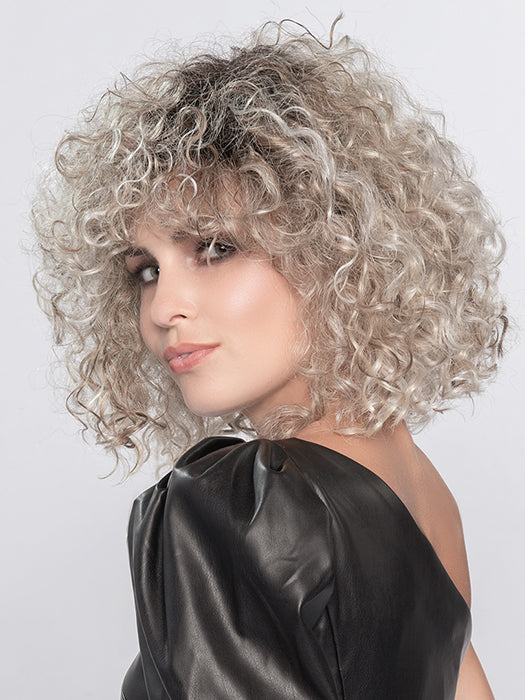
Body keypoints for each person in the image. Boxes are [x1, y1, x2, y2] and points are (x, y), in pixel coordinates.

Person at [33, 18, 507, 700]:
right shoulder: (424, 495)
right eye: (146, 270)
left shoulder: (242, 504)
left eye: (214, 248)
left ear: (334, 248)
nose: (164, 307)